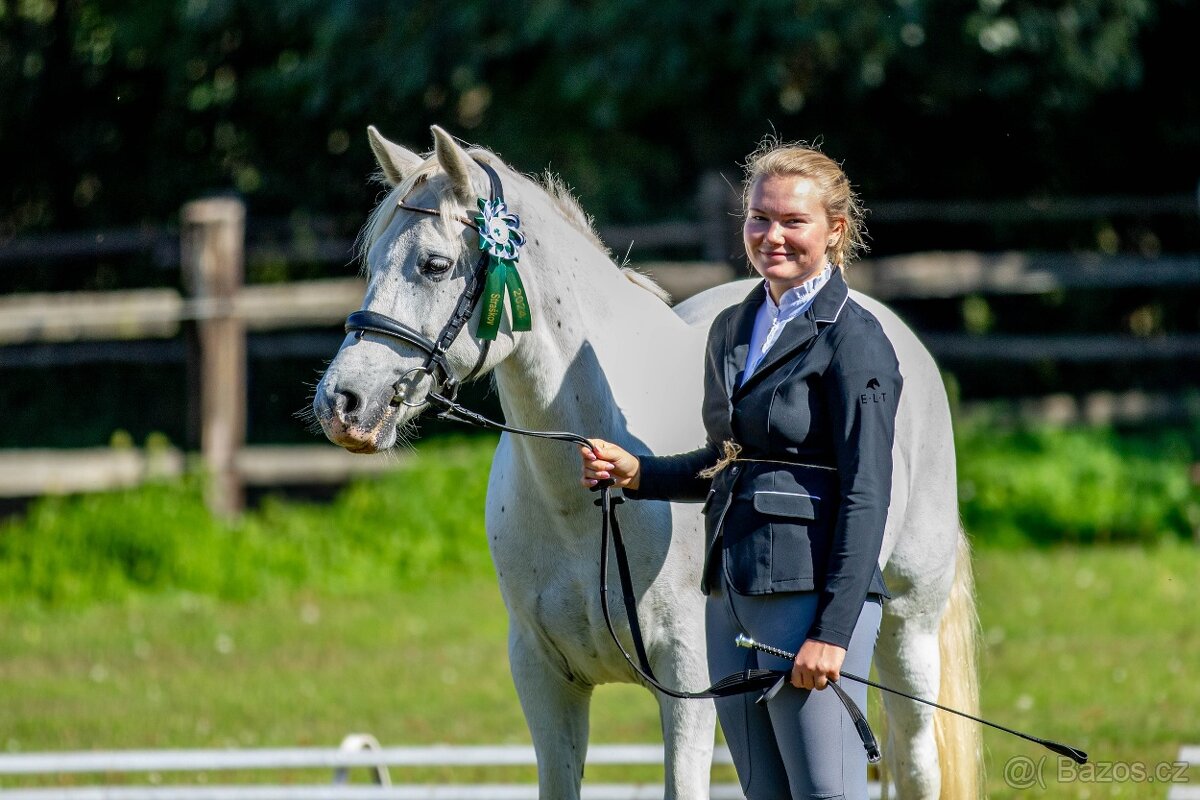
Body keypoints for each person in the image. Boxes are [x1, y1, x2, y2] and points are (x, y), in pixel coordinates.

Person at [580, 139, 900, 800]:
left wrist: (832, 634)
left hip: (810, 598)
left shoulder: (855, 339)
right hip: (731, 593)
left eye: (793, 221)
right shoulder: (732, 327)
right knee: (764, 793)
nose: (771, 235)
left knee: (827, 794)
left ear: (834, 230)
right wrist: (638, 473)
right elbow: (726, 462)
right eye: (760, 218)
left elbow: (868, 492)